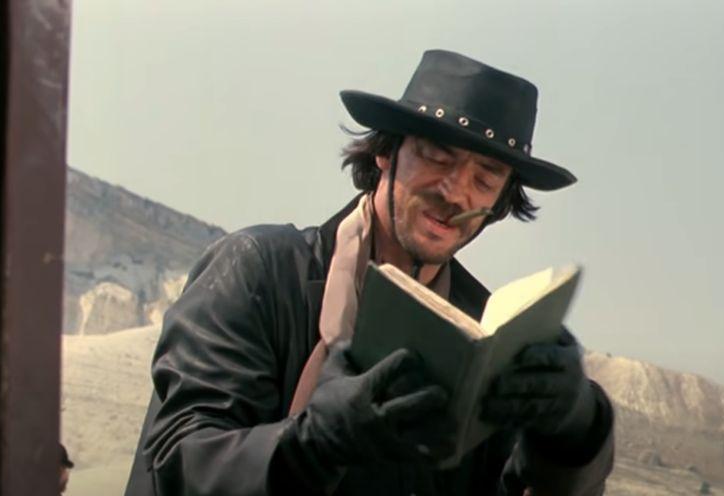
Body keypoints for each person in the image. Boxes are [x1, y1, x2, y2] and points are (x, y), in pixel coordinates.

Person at [125, 49, 614, 495]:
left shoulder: (485, 339)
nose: (455, 193)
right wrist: (313, 445)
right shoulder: (259, 272)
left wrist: (576, 432)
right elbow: (178, 464)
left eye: (485, 179)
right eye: (436, 156)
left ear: (501, 202)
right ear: (385, 151)